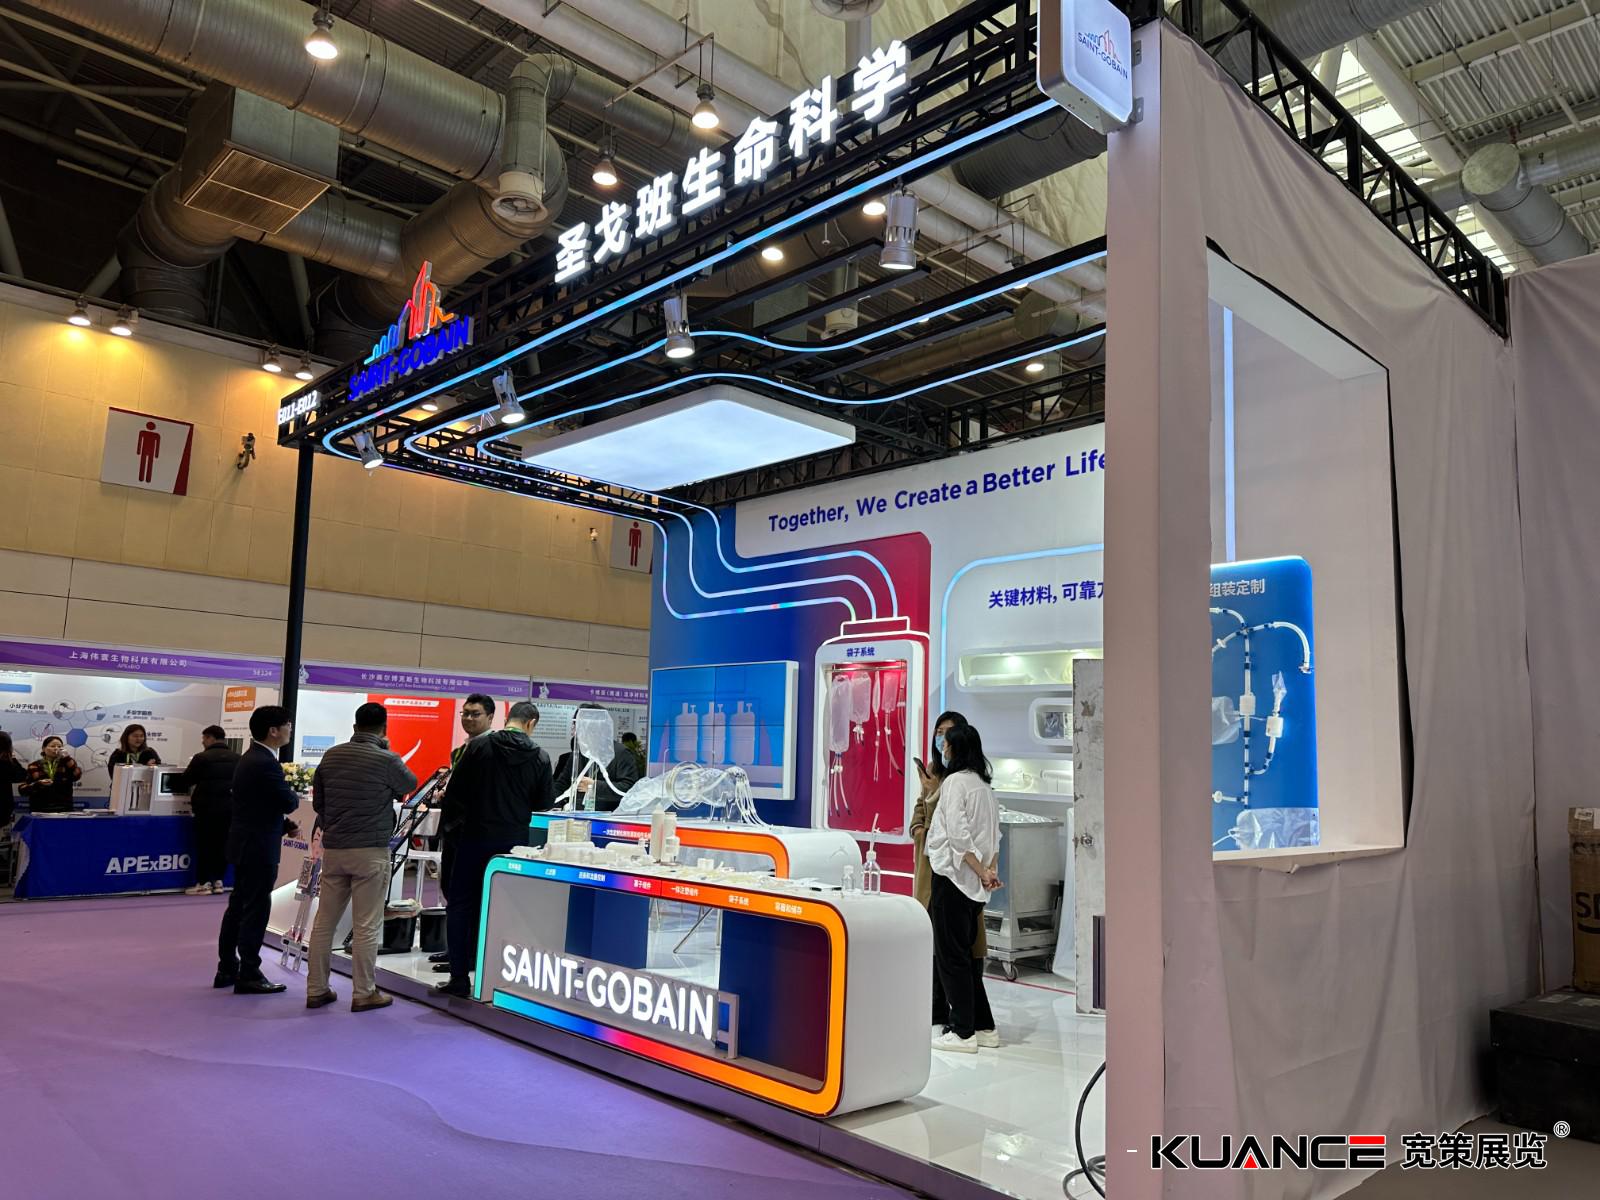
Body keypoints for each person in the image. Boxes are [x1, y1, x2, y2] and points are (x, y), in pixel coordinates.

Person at [433, 700, 552, 999]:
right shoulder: (540, 756)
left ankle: (459, 977)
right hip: (514, 841)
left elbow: (456, 793)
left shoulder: (478, 747)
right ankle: (499, 979)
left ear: (507, 717)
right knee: (507, 907)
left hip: (474, 836)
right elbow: (543, 802)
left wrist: (452, 831)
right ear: (531, 724)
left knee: (461, 905)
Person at [304, 702, 417, 1014]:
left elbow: (319, 804)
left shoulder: (331, 756)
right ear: (384, 729)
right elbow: (410, 784)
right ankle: (364, 993)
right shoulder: (387, 758)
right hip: (370, 850)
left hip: (335, 849)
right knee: (366, 924)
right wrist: (386, 749)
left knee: (324, 922)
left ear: (354, 727)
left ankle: (316, 989)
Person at [911, 710, 999, 1045]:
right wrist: (988, 871)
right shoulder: (983, 787)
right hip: (972, 885)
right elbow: (994, 836)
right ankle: (984, 1026)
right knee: (961, 957)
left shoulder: (954, 784)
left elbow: (959, 837)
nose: (942, 747)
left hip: (953, 879)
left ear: (956, 747)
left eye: (946, 741)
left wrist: (980, 870)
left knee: (952, 959)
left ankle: (962, 1030)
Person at [214, 705, 298, 995]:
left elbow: (256, 804)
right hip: (258, 847)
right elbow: (288, 801)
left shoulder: (251, 758)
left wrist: (283, 824)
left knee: (239, 906)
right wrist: (289, 803)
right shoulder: (264, 762)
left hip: (246, 842)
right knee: (255, 909)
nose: (289, 729)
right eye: (287, 725)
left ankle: (228, 967)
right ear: (273, 730)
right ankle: (249, 971)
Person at [429, 693, 497, 970]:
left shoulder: (491, 750)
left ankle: (467, 955)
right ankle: (455, 949)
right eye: (465, 713)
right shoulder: (460, 750)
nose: (468, 718)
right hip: (453, 830)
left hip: (475, 831)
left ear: (490, 717)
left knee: (469, 895)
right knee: (451, 889)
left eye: (475, 714)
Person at [178, 726, 239, 896]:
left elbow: (186, 781)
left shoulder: (201, 758)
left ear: (210, 738)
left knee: (205, 845)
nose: (203, 742)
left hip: (206, 809)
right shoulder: (238, 758)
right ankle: (218, 881)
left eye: (204, 738)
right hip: (229, 808)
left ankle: (204, 883)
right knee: (223, 845)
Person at [553, 703, 640, 812]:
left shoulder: (621, 753)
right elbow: (562, 783)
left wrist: (595, 786)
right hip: (578, 814)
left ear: (592, 726)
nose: (573, 732)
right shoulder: (579, 752)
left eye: (576, 726)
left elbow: (629, 788)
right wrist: (548, 804)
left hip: (609, 816)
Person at [21, 736, 82, 814]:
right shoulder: (34, 766)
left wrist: (67, 758)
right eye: (52, 746)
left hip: (64, 808)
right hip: (40, 809)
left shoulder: (67, 764)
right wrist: (38, 784)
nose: (56, 748)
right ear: (43, 748)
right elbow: (22, 789)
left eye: (59, 747)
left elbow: (77, 775)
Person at [0, 731, 25, 826]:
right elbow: (20, 776)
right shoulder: (6, 761)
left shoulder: (6, 761)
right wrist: (12, 759)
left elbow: (20, 776)